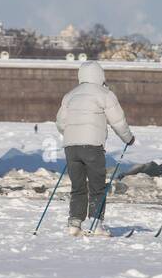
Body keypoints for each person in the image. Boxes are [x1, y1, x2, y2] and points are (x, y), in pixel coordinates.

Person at [55, 61, 134, 237]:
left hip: (71, 147)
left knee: (78, 186)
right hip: (92, 147)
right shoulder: (105, 94)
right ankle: (96, 224)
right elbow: (118, 121)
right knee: (97, 186)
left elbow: (61, 123)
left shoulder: (70, 95)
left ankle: (74, 224)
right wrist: (128, 138)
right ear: (100, 75)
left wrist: (72, 135)